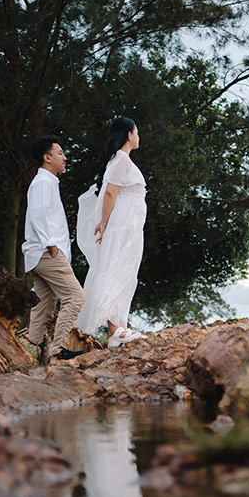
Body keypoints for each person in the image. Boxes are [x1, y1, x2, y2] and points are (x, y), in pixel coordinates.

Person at [75, 117, 146, 346]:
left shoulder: (121, 159)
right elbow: (110, 192)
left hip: (130, 225)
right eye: (137, 132)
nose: (139, 136)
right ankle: (114, 329)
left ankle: (118, 327)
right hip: (122, 224)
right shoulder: (121, 159)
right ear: (129, 134)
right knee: (115, 268)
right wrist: (104, 223)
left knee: (125, 271)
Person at [23, 135, 85, 361]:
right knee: (75, 297)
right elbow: (37, 213)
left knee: (44, 306)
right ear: (47, 157)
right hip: (46, 252)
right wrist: (50, 243)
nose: (64, 157)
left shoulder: (47, 181)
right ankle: (58, 350)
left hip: (39, 253)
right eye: (60, 153)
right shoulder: (43, 182)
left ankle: (32, 354)